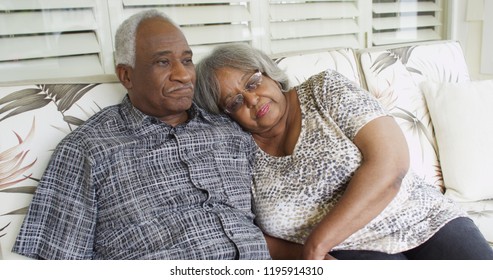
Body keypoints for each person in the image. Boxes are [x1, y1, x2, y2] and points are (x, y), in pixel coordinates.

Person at [193, 43, 493, 260]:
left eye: (253, 82)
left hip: (423, 219)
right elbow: (242, 229)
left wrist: (316, 244)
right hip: (349, 252)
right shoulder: (236, 151)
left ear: (268, 74)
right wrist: (307, 258)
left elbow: (391, 163)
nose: (251, 99)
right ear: (226, 115)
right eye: (234, 102)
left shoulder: (323, 89)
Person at [11, 10, 271, 260]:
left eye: (187, 60)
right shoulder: (87, 150)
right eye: (163, 62)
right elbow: (59, 261)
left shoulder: (229, 127)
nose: (183, 75)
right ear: (126, 76)